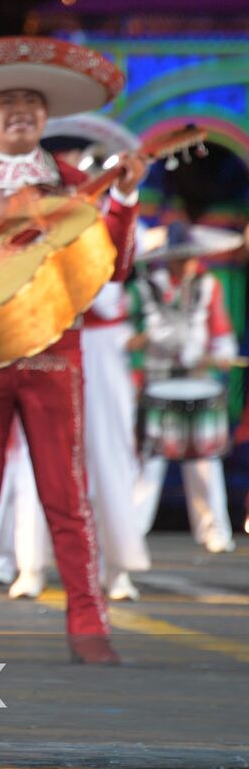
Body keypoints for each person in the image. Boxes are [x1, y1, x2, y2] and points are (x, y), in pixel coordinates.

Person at [0, 37, 147, 664]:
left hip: (53, 358)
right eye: (7, 103)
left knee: (66, 495)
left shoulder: (77, 181)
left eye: (32, 102)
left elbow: (117, 267)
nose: (21, 111)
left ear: (46, 118)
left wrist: (124, 198)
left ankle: (89, 627)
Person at [130, 223, 243, 554]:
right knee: (149, 462)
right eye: (180, 259)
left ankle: (214, 530)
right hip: (158, 380)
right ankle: (134, 529)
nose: (186, 265)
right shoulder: (147, 287)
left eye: (190, 258)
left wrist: (221, 355)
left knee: (204, 460)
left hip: (196, 380)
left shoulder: (208, 287)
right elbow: (129, 335)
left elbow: (221, 332)